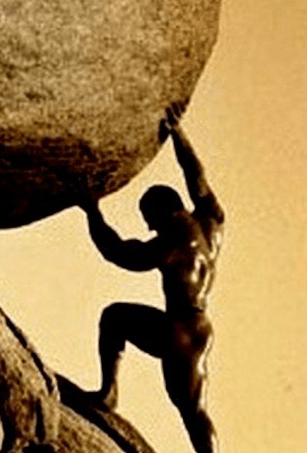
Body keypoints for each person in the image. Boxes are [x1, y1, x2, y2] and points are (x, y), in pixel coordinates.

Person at [80, 104, 223, 453]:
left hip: (178, 330)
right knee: (193, 407)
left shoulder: (170, 244)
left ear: (160, 210)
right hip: (200, 325)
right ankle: (109, 393)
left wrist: (91, 210)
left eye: (149, 219)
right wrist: (178, 134)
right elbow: (197, 177)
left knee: (192, 410)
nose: (149, 226)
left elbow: (118, 252)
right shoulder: (211, 222)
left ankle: (109, 392)